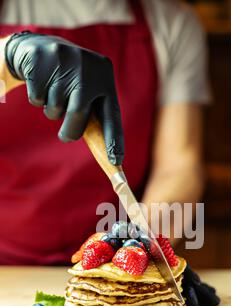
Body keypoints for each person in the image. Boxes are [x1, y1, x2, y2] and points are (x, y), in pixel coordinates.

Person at [0, 0, 211, 266]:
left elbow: (178, 166)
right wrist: (8, 56)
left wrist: (139, 246)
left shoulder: (172, 22)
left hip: (111, 259)